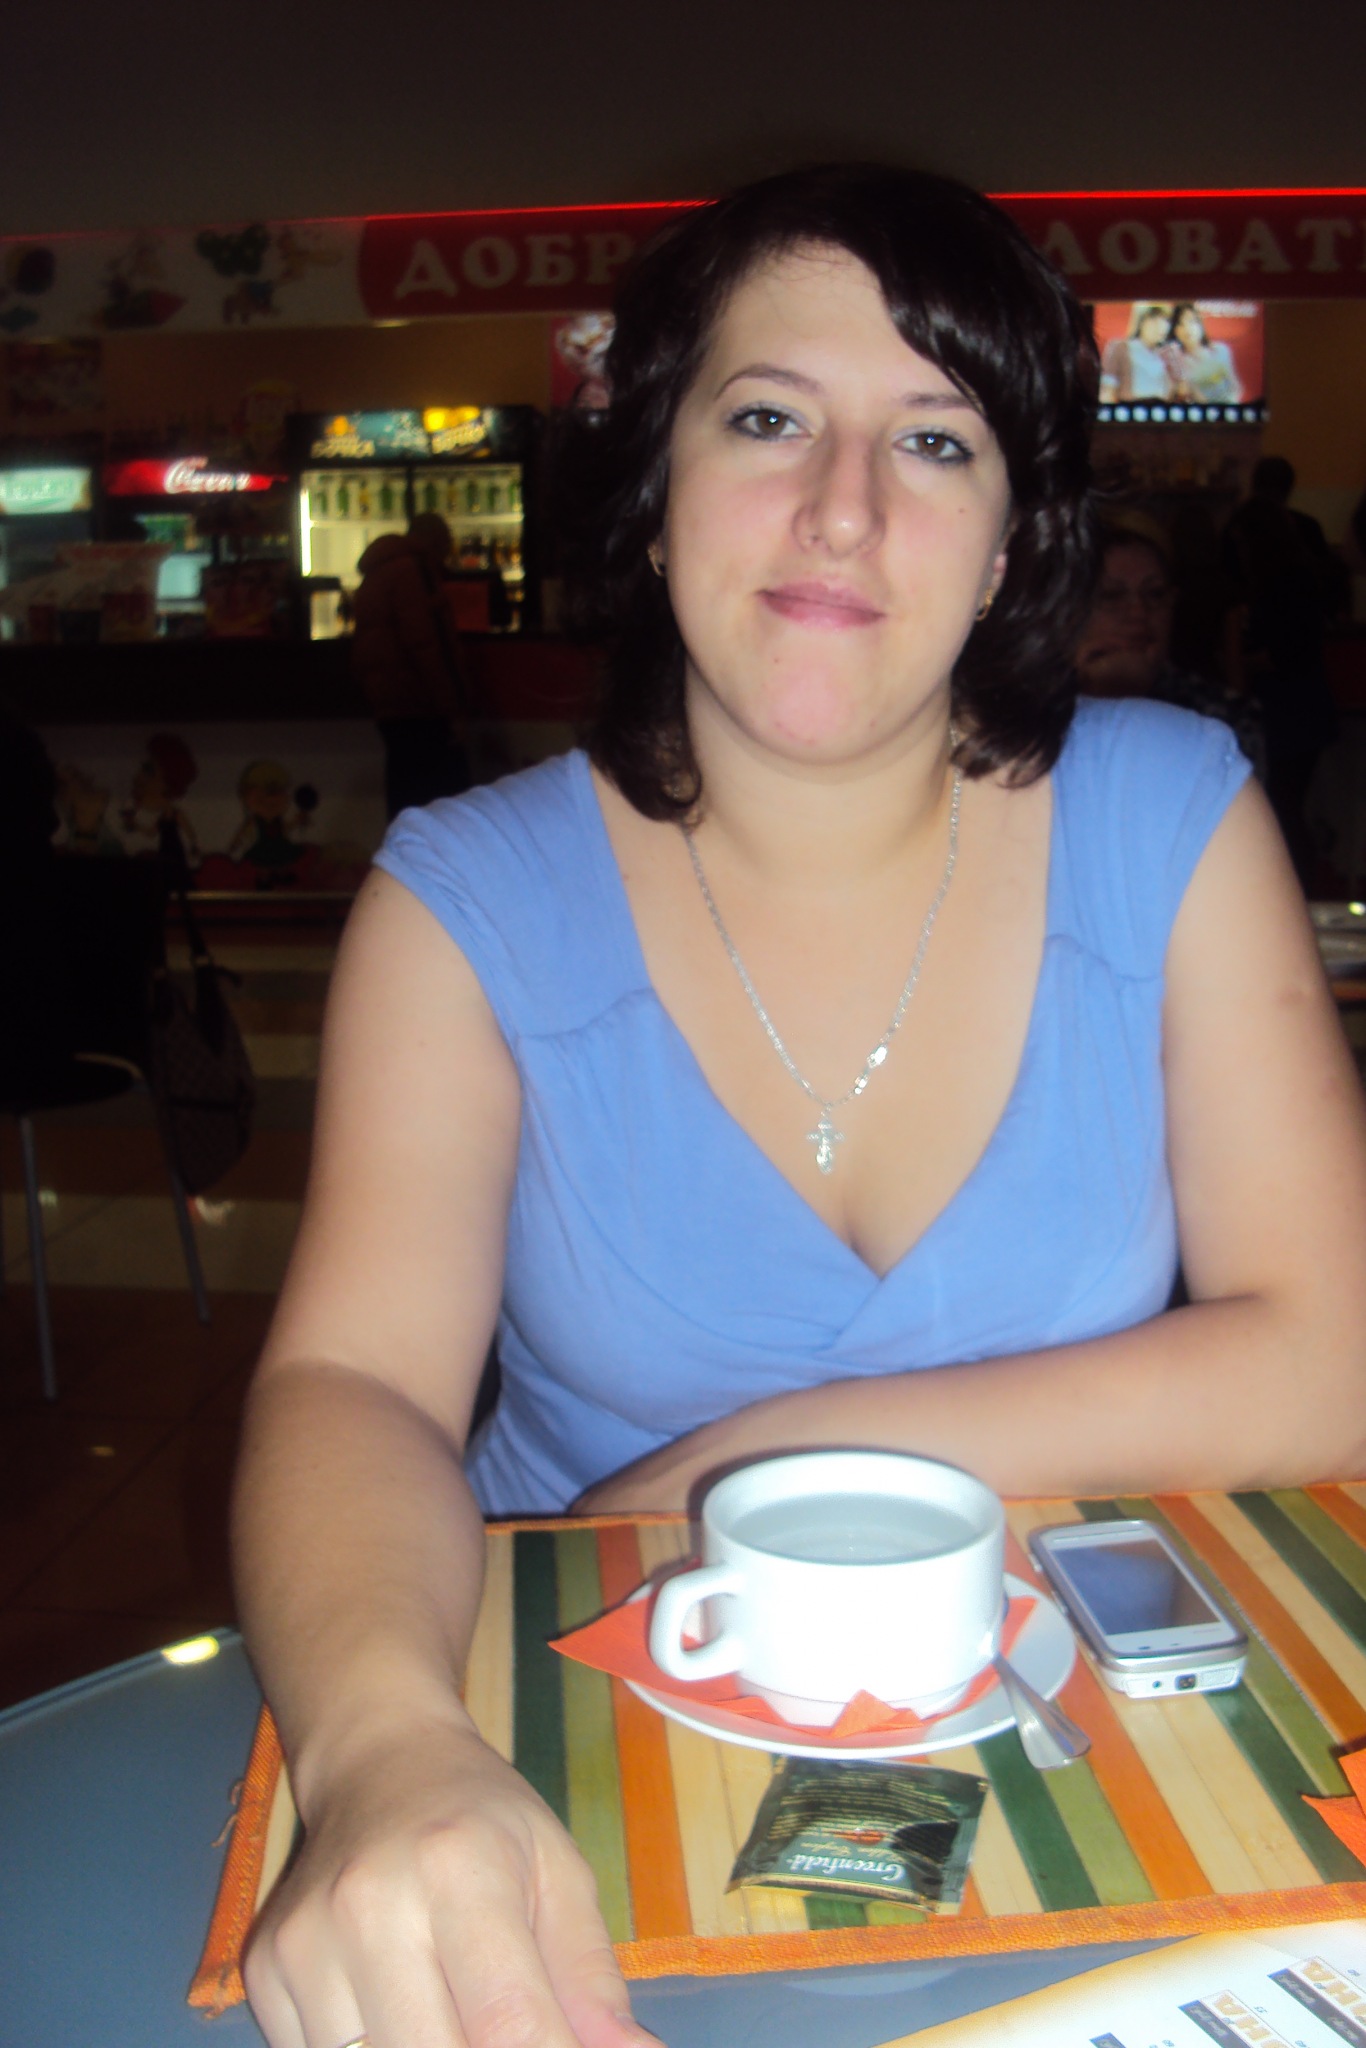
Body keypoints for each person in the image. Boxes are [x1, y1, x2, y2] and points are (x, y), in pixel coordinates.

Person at [233, 165, 1366, 2048]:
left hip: (1064, 1746)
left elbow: (1334, 1353)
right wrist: (382, 1749)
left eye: (933, 439)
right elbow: (353, 1387)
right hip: (575, 1723)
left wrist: (758, 1458)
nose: (843, 506)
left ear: (1009, 543)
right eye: (768, 419)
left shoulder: (1171, 814)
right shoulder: (464, 899)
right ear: (653, 481)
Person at [1223, 456, 1341, 888]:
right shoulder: (1301, 564)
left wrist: (1240, 659)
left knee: (1284, 809)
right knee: (1288, 808)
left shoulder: (1280, 585)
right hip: (1303, 708)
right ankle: (1297, 888)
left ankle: (1295, 889)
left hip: (1289, 712)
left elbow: (1288, 652)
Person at [1075, 521, 1259, 760]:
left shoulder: (1223, 715)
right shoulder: (1039, 707)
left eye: (1155, 594)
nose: (1138, 612)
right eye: (1111, 596)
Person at [350, 511, 472, 819]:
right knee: (445, 805)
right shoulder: (415, 572)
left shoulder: (379, 571)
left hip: (391, 705)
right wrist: (454, 708)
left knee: (405, 800)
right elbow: (429, 645)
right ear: (437, 541)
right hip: (421, 704)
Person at [1162, 303, 1242, 405]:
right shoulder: (1175, 363)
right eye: (1180, 324)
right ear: (1175, 331)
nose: (1187, 328)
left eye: (1191, 321)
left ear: (1200, 325)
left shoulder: (1220, 350)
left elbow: (1235, 385)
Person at [1098, 305, 1172, 404]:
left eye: (1165, 321)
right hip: (1130, 409)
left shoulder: (1166, 355)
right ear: (1141, 322)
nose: (1160, 327)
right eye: (1154, 320)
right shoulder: (1120, 347)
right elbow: (1108, 389)